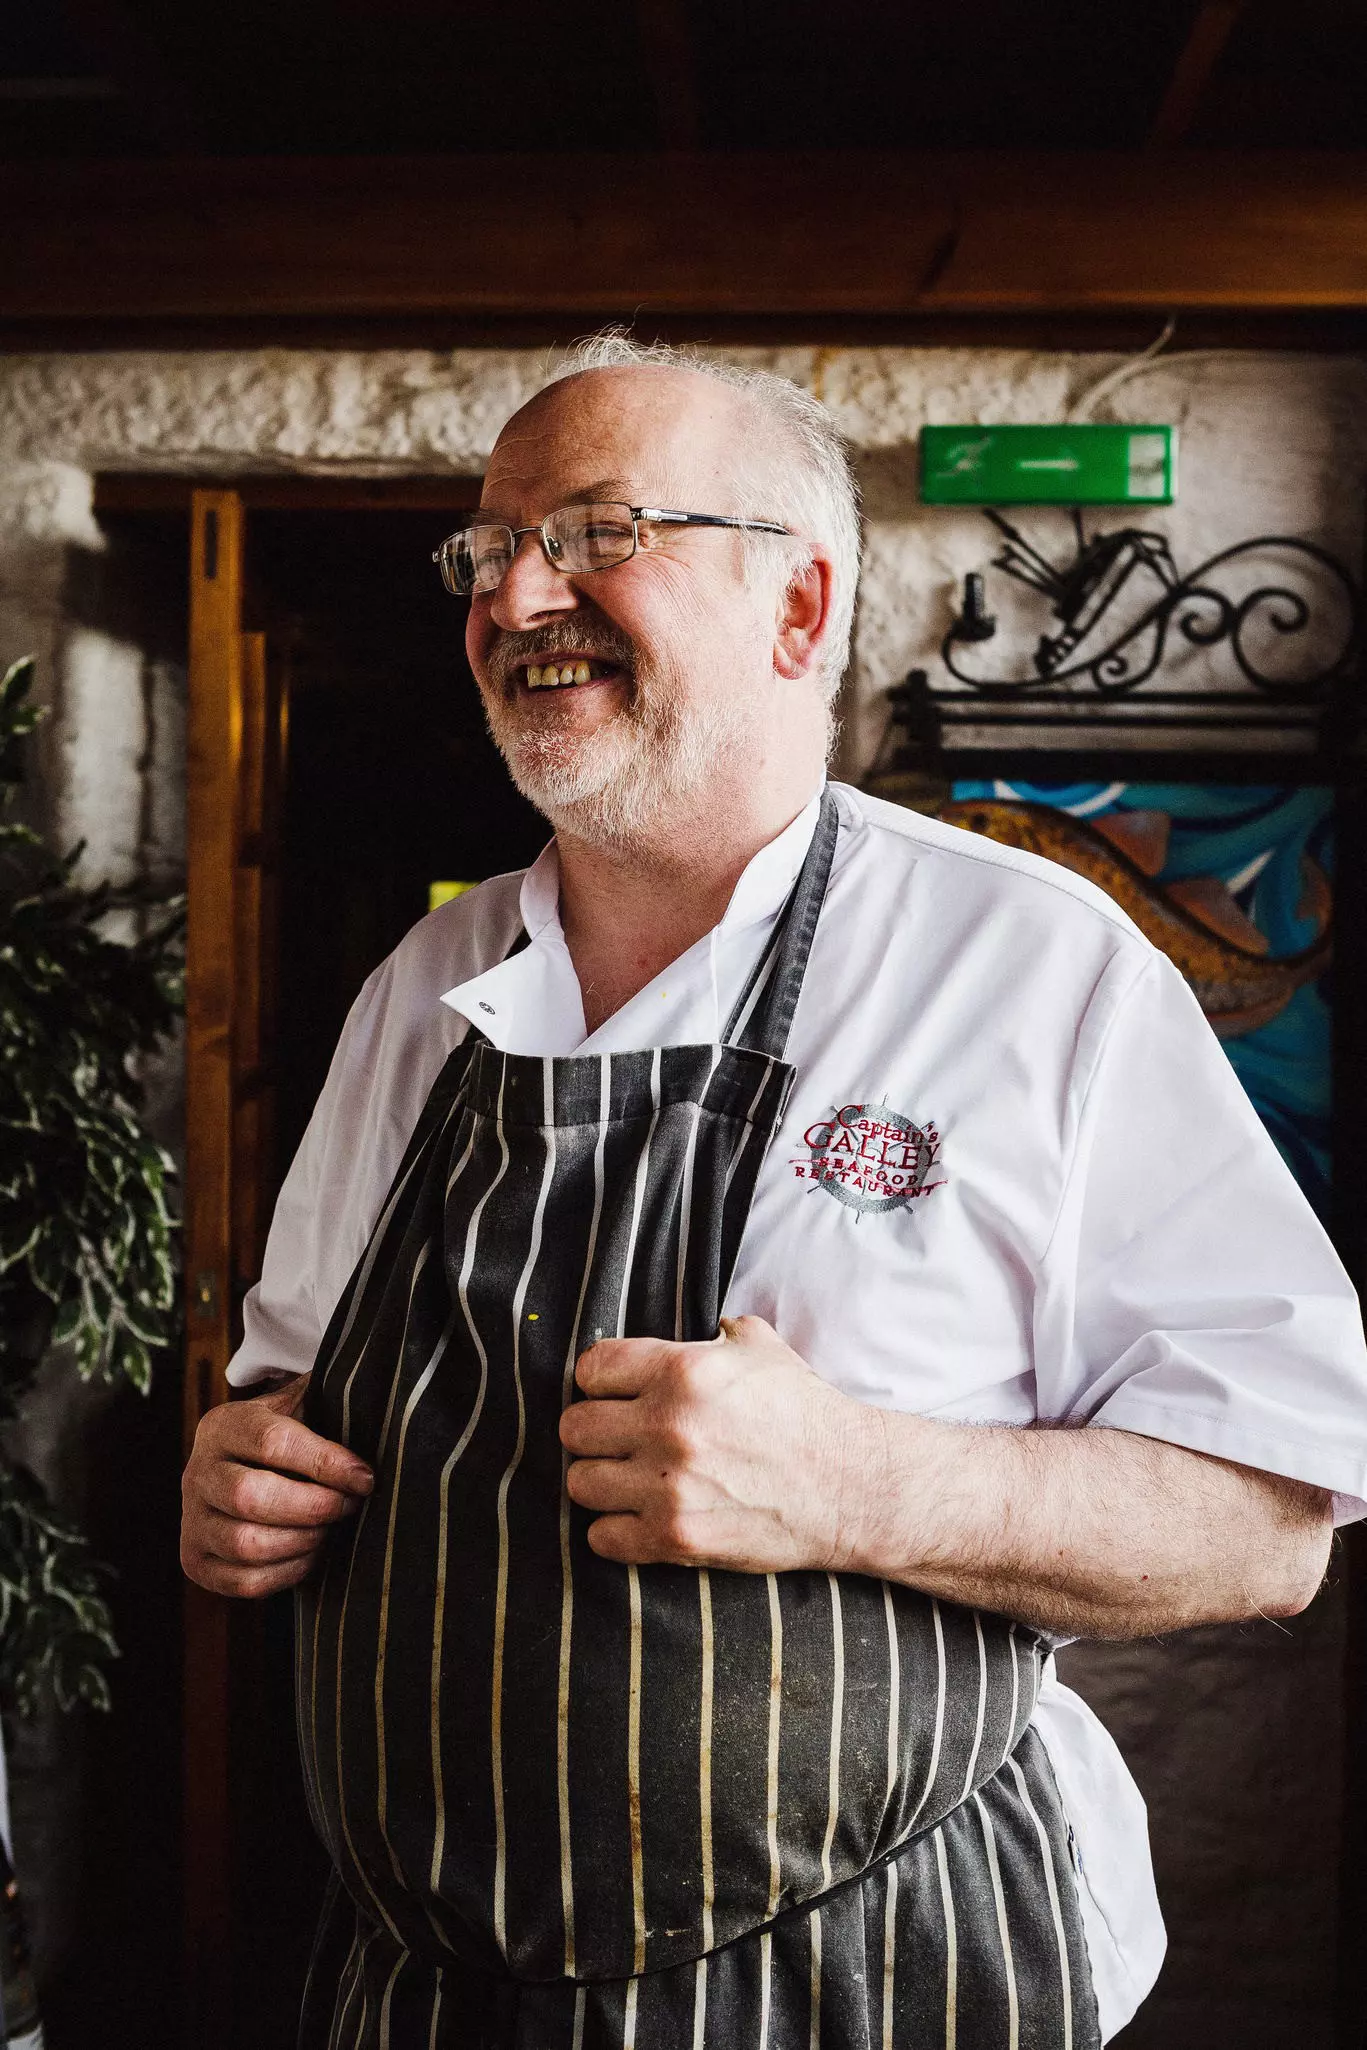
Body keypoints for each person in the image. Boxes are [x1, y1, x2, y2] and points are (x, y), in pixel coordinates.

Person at [181, 334, 1367, 2050]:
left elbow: (1269, 1514)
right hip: (428, 1992)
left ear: (798, 610)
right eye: (486, 544)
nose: (515, 591)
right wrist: (242, 1472)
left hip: (888, 1980)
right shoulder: (416, 988)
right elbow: (282, 1399)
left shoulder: (1028, 967)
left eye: (597, 529)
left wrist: (856, 1482)